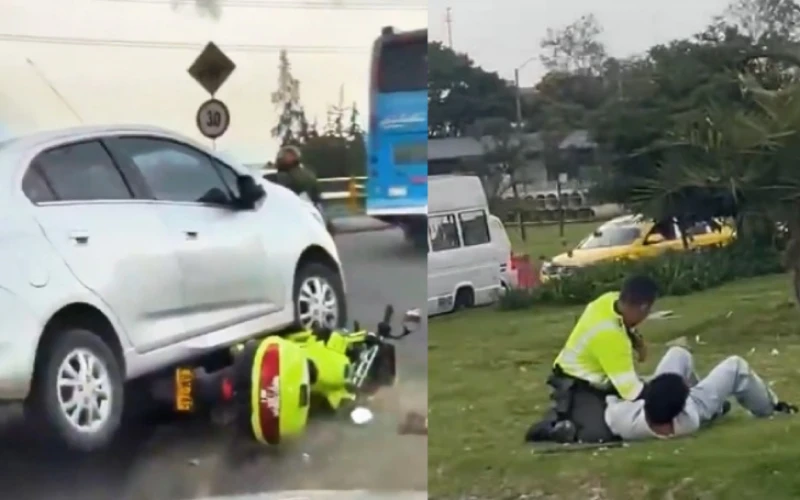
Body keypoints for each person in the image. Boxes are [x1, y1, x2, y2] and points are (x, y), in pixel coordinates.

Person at [526, 275, 659, 443]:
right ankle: (551, 427)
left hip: (589, 377)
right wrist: (665, 397)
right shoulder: (611, 337)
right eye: (647, 311)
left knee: (617, 412)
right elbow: (632, 392)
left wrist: (634, 338)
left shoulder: (608, 300)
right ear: (643, 307)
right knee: (598, 434)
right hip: (575, 385)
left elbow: (622, 323)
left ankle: (572, 415)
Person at [606, 346, 797, 440]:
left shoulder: (620, 420)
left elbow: (611, 400)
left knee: (678, 353)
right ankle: (770, 409)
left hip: (655, 410)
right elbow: (683, 399)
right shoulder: (689, 420)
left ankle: (714, 404)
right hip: (697, 407)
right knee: (736, 367)